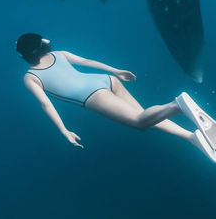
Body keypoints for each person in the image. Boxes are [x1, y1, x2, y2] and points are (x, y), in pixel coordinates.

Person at [16, 32, 205, 151]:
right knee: (146, 116)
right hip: (105, 80)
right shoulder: (59, 54)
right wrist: (114, 71)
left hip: (93, 96)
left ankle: (177, 105)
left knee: (139, 123)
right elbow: (87, 62)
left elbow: (45, 103)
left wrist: (63, 130)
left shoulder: (30, 77)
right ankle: (191, 137)